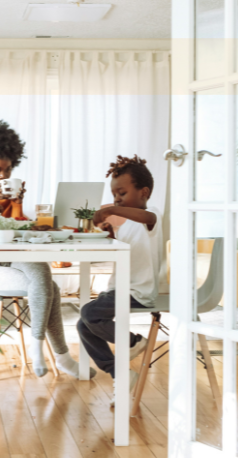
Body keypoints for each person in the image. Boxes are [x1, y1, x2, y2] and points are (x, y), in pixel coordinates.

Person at [0, 116, 91, 378]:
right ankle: (58, 356)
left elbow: (14, 230)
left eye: (8, 170)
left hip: (11, 257)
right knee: (50, 287)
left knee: (43, 274)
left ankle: (47, 352)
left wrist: (19, 205)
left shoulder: (9, 191)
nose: (3, 176)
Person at [76, 155, 165, 392]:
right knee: (84, 325)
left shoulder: (152, 215)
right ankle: (120, 374)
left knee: (89, 313)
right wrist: (110, 233)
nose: (117, 199)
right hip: (119, 289)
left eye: (122, 193)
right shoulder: (128, 224)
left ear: (144, 192)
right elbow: (125, 251)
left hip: (138, 291)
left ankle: (134, 341)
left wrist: (112, 211)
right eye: (115, 194)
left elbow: (147, 218)